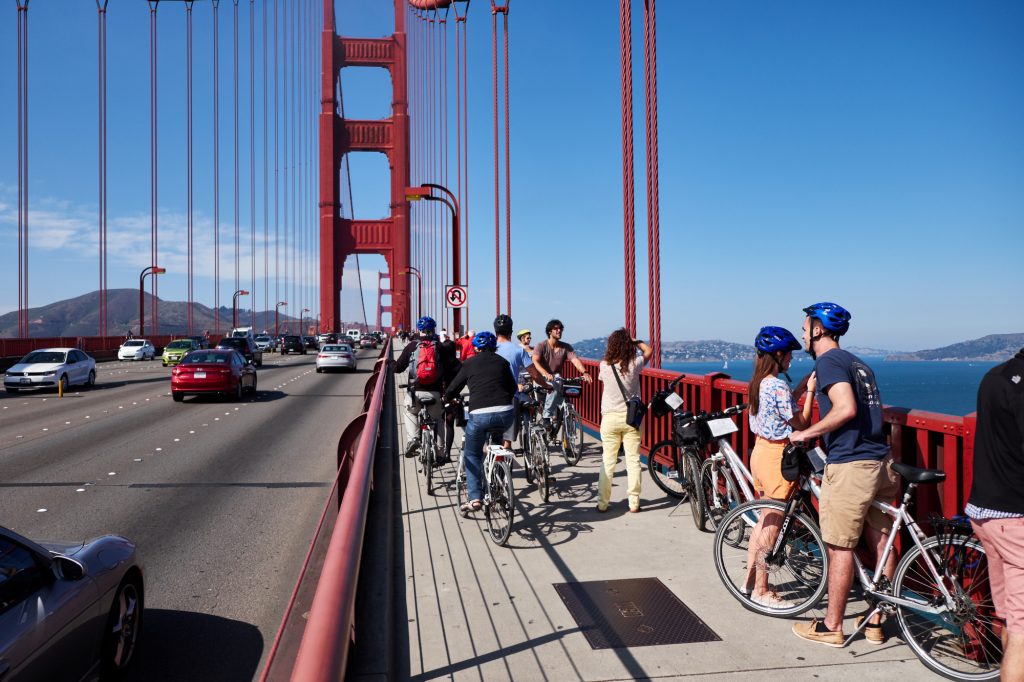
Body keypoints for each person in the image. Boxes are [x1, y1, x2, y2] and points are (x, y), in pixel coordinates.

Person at [790, 302, 900, 646]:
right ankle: (875, 621)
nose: (803, 334)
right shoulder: (859, 363)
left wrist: (805, 434)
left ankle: (832, 626)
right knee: (881, 542)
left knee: (839, 546)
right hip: (881, 462)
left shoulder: (828, 361)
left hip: (852, 465)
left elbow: (846, 408)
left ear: (819, 330)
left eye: (806, 328)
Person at [744, 326, 816, 608]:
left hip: (759, 452)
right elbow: (802, 423)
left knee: (764, 521)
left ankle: (749, 582)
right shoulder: (777, 385)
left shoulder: (759, 383)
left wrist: (796, 388)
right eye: (788, 355)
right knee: (773, 525)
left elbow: (777, 412)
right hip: (777, 459)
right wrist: (809, 392)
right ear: (777, 354)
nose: (791, 359)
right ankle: (762, 590)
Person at [965, 345, 1024, 680]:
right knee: (1023, 629)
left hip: (985, 514)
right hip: (1016, 518)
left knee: (1010, 618)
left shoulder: (994, 376)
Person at [443, 332, 518, 513]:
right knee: (497, 441)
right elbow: (513, 388)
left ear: (475, 348)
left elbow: (455, 387)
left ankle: (475, 498)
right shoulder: (502, 362)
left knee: (472, 455)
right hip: (505, 414)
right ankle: (499, 482)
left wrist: (446, 398)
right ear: (494, 347)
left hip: (479, 415)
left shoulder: (469, 363)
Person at [595, 329, 653, 512]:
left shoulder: (603, 365)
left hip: (610, 418)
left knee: (608, 462)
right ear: (628, 346)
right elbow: (649, 351)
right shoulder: (635, 364)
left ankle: (602, 503)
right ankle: (634, 502)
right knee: (633, 460)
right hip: (631, 419)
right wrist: (635, 341)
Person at [394, 316, 458, 460]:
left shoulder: (412, 346)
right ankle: (441, 453)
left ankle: (414, 439)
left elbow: (398, 368)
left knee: (410, 412)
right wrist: (449, 392)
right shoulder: (441, 347)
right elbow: (452, 371)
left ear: (419, 330)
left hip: (415, 393)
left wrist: (388, 362)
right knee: (439, 419)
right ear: (434, 330)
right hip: (435, 392)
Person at [493, 314, 544, 450]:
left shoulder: (489, 349)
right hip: (510, 396)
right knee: (506, 440)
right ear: (511, 331)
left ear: (495, 332)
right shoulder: (518, 350)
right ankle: (507, 448)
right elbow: (535, 374)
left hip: (490, 396)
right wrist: (547, 385)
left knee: (490, 434)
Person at [531, 319, 593, 433]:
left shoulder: (566, 347)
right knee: (554, 386)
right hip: (542, 379)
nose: (559, 331)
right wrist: (545, 373)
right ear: (549, 331)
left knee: (567, 398)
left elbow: (575, 360)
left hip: (556, 378)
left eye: (560, 329)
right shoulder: (541, 345)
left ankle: (568, 443)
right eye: (556, 329)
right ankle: (546, 416)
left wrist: (585, 372)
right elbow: (535, 361)